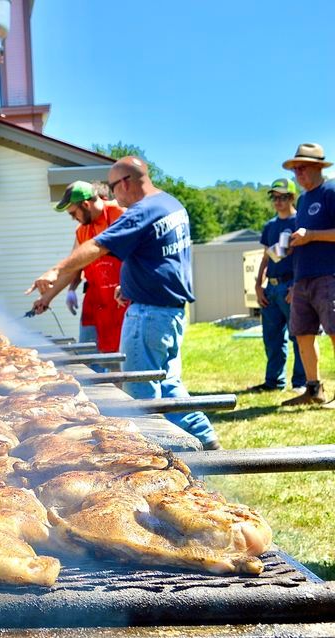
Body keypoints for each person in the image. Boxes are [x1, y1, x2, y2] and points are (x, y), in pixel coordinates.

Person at [27, 157, 221, 451]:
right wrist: (128, 285)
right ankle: (204, 437)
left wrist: (55, 270)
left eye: (113, 187)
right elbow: (159, 256)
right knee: (167, 381)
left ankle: (152, 456)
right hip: (168, 310)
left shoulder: (139, 212)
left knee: (138, 390)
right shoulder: (171, 205)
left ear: (126, 183)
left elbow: (98, 246)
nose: (112, 194)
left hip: (148, 313)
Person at [32, 181, 127, 354]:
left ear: (86, 204)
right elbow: (73, 267)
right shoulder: (82, 230)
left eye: (73, 213)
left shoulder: (121, 214)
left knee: (122, 358)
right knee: (89, 359)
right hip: (95, 302)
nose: (73, 218)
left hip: (122, 301)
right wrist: (46, 298)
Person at [278, 143, 335, 408]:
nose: (297, 173)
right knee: (302, 334)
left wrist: (311, 236)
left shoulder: (330, 192)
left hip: (329, 275)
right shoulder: (303, 200)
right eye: (295, 169)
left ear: (317, 167)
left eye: (302, 168)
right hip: (302, 278)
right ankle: (313, 390)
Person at [247, 178, 306, 392]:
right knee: (272, 338)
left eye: (283, 197)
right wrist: (258, 285)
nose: (278, 201)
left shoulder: (300, 223)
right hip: (270, 288)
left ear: (292, 197)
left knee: (299, 336)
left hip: (291, 285)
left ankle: (301, 383)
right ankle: (273, 382)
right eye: (274, 197)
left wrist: (296, 286)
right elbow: (266, 257)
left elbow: (304, 257)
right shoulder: (270, 226)